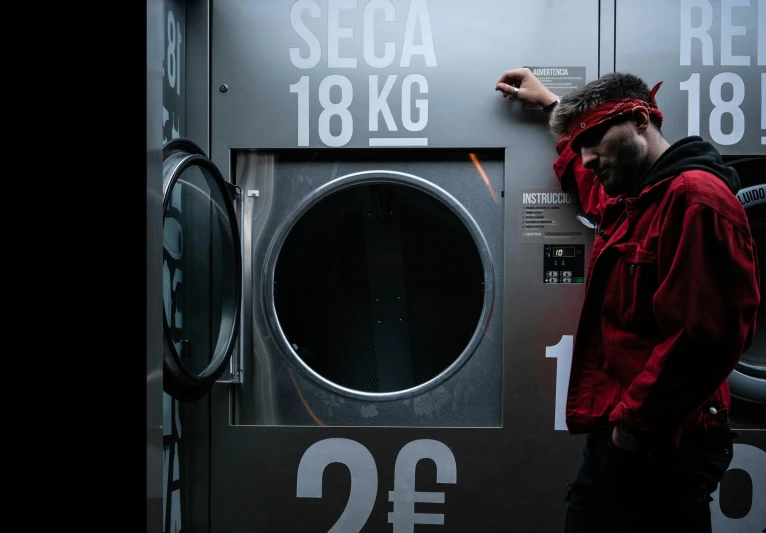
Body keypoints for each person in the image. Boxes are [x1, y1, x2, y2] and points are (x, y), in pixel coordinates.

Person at [495, 68, 760, 532]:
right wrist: (553, 106)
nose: (588, 157)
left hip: (664, 439)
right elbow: (591, 182)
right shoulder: (633, 198)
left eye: (595, 138)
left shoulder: (695, 200)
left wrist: (633, 431)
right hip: (626, 431)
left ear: (640, 120)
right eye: (580, 145)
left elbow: (705, 338)